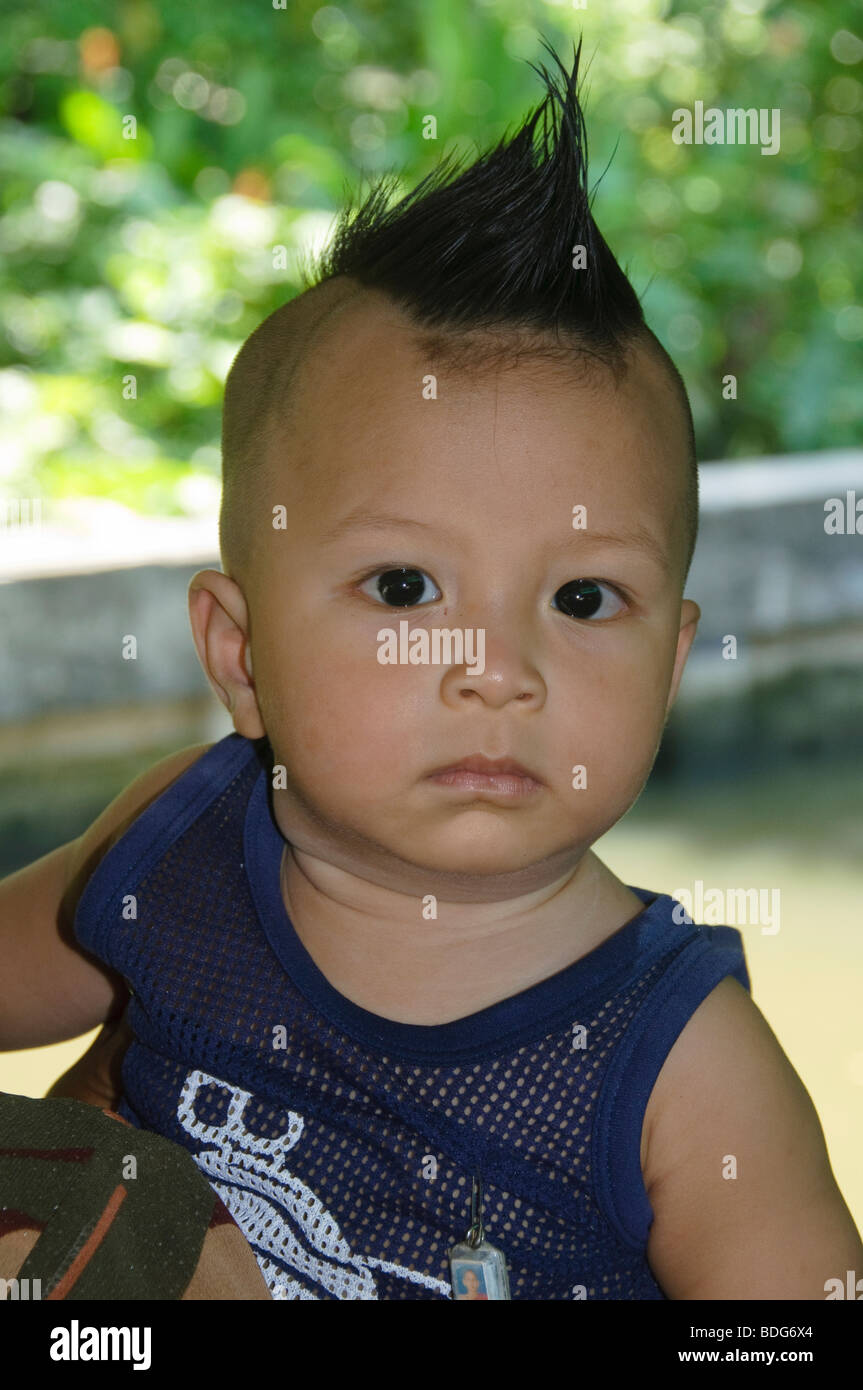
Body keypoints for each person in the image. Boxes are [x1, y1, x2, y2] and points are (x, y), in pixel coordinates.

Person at [2, 38, 861, 1301]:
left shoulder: (679, 1071)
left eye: (581, 598)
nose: (494, 669)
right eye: (405, 589)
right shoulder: (171, 847)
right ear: (241, 656)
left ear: (668, 666)